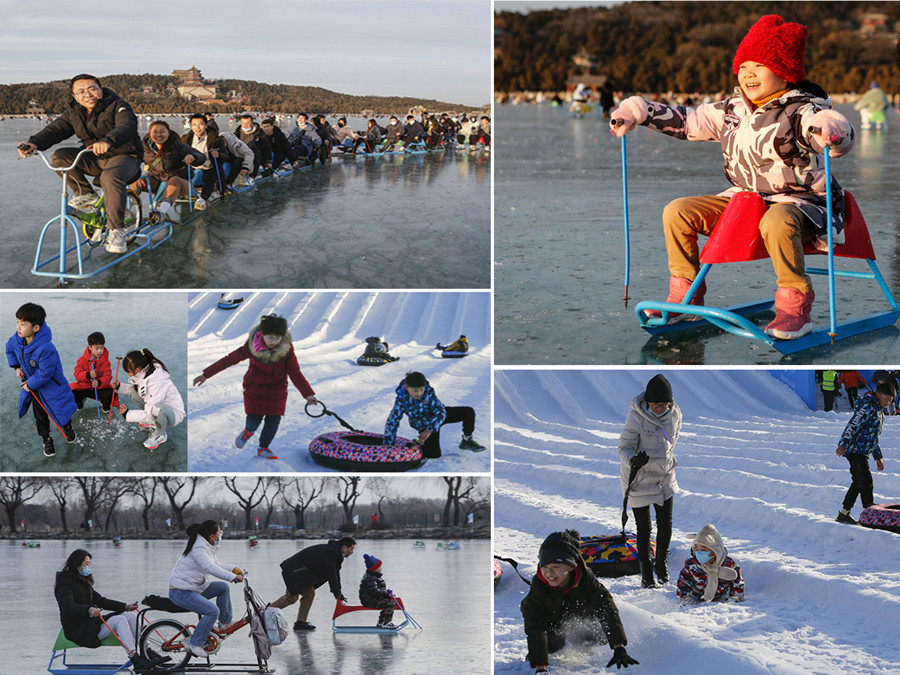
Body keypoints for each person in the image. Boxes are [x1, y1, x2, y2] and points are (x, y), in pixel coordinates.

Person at [610, 15, 856, 339]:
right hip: (746, 200)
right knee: (677, 211)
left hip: (801, 204)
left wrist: (832, 132)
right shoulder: (731, 110)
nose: (748, 73)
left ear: (784, 71)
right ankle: (685, 294)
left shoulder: (801, 110)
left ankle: (794, 304)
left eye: (760, 65)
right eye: (743, 65)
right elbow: (689, 121)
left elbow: (830, 135)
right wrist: (641, 111)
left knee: (778, 220)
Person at [17, 74, 143, 254]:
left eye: (92, 89)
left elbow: (127, 127)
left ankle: (117, 230)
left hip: (125, 156)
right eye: (81, 92)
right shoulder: (74, 112)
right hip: (95, 157)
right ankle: (85, 194)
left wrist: (108, 140)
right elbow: (55, 130)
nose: (88, 95)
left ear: (100, 89)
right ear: (74, 96)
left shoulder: (118, 106)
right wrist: (34, 143)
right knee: (60, 157)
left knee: (111, 176)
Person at [193, 314, 317, 459]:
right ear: (262, 334)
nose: (273, 342)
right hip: (254, 388)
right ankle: (248, 432)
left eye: (277, 338)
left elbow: (295, 373)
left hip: (277, 390)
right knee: (254, 420)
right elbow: (229, 360)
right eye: (270, 337)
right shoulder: (251, 346)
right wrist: (206, 374)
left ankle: (263, 448)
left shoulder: (287, 350)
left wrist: (308, 394)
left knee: (273, 421)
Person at [520, 530, 637, 674]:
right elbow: (535, 626)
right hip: (553, 621)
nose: (549, 574)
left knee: (597, 637)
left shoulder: (587, 581)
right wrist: (540, 666)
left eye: (555, 567)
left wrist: (619, 646)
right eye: (545, 567)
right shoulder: (538, 588)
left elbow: (607, 608)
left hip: (581, 614)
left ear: (571, 566)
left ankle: (583, 639)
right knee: (551, 647)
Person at [55, 549, 168, 673]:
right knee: (119, 620)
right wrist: (89, 609)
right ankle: (136, 659)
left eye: (89, 564)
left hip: (91, 624)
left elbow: (102, 601)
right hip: (78, 629)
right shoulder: (64, 584)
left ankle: (147, 652)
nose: (89, 567)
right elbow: (68, 607)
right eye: (86, 564)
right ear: (77, 565)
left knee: (130, 616)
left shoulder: (83, 582)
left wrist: (125, 606)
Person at [618, 374, 681, 588]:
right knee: (643, 528)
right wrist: (633, 460)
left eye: (663, 405)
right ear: (647, 403)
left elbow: (673, 441)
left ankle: (661, 563)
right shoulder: (635, 417)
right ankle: (646, 572)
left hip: (664, 478)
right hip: (639, 477)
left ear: (670, 403)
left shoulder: (676, 415)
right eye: (654, 405)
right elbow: (623, 446)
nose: (658, 408)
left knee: (666, 524)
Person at [6, 302, 77, 457]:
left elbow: (46, 372)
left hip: (52, 386)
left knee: (61, 409)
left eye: (23, 324)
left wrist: (29, 385)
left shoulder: (46, 348)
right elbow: (9, 349)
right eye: (17, 322)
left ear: (36, 328)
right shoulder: (16, 340)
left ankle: (67, 427)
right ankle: (46, 439)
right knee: (40, 416)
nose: (18, 327)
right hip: (35, 388)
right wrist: (17, 367)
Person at [169, 521, 243, 658]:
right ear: (211, 536)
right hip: (180, 592)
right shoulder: (199, 549)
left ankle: (225, 623)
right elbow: (210, 568)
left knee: (222, 587)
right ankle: (194, 643)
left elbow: (217, 565)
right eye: (219, 533)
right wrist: (232, 577)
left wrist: (233, 569)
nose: (220, 535)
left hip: (193, 588)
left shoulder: (206, 546)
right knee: (212, 611)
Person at [384, 371, 485, 458]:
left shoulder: (428, 393)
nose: (419, 393)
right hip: (423, 424)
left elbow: (441, 411)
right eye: (415, 391)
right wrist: (388, 445)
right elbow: (393, 421)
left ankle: (467, 440)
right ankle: (420, 444)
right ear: (407, 388)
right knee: (434, 454)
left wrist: (429, 430)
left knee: (468, 412)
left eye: (421, 390)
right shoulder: (401, 400)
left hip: (438, 417)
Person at [835, 382, 895, 524]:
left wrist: (878, 457)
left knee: (858, 482)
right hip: (855, 450)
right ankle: (870, 512)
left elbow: (873, 437)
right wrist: (842, 444)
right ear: (878, 394)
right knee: (866, 481)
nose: (888, 403)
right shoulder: (867, 406)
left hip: (863, 452)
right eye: (886, 398)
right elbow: (853, 424)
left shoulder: (880, 412)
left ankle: (844, 513)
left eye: (891, 400)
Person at [270, 537, 357, 631]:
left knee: (309, 592)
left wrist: (338, 592)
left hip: (301, 573)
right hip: (295, 571)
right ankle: (265, 613)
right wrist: (336, 593)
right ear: (344, 547)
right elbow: (331, 573)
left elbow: (336, 574)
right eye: (351, 549)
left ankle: (300, 622)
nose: (352, 552)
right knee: (291, 598)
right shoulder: (331, 553)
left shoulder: (335, 554)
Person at [131, 120, 205, 225]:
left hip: (181, 183)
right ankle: (126, 209)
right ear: (150, 134)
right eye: (155, 132)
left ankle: (161, 212)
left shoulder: (177, 146)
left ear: (168, 133)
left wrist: (193, 156)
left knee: (174, 181)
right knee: (138, 182)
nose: (158, 135)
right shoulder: (144, 148)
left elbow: (201, 156)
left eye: (162, 132)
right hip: (157, 180)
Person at [112, 348, 185, 450]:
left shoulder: (156, 383)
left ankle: (160, 434)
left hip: (173, 413)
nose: (127, 374)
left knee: (157, 409)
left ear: (137, 370)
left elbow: (150, 411)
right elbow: (135, 390)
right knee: (134, 393)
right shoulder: (145, 372)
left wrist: (128, 414)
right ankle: (154, 422)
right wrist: (119, 386)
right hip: (157, 407)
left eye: (128, 371)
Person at [675, 524, 745, 603]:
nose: (700, 552)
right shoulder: (692, 565)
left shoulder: (729, 565)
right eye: (697, 549)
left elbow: (737, 582)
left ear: (715, 549)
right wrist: (684, 596)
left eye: (704, 548)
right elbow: (683, 581)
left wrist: (735, 596)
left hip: (719, 594)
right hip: (696, 594)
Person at [182, 113, 229, 209]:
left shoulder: (215, 139)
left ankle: (203, 198)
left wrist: (218, 155)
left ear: (206, 124)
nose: (197, 128)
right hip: (192, 167)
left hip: (209, 166)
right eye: (194, 125)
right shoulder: (186, 139)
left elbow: (226, 156)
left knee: (210, 175)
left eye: (200, 124)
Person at [70, 331, 114, 413]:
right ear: (90, 347)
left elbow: (107, 377)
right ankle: (80, 401)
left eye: (102, 348)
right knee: (71, 391)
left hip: (98, 389)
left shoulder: (106, 362)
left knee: (111, 390)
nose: (100, 351)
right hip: (84, 387)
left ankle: (104, 403)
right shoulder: (81, 360)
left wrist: (99, 382)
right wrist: (88, 375)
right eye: (96, 348)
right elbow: (77, 375)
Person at [358, 554, 396, 629]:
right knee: (390, 603)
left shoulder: (374, 577)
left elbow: (378, 591)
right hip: (369, 601)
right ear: (374, 569)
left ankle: (381, 621)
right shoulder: (370, 579)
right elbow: (375, 591)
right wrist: (386, 593)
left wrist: (387, 593)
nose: (381, 569)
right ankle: (386, 621)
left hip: (371, 599)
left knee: (388, 601)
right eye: (379, 567)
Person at [233, 113, 273, 177]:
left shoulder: (259, 133)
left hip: (255, 153)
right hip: (241, 152)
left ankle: (252, 176)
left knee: (255, 159)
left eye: (248, 123)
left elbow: (266, 147)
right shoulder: (238, 132)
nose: (245, 125)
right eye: (243, 123)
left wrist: (268, 161)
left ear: (252, 123)